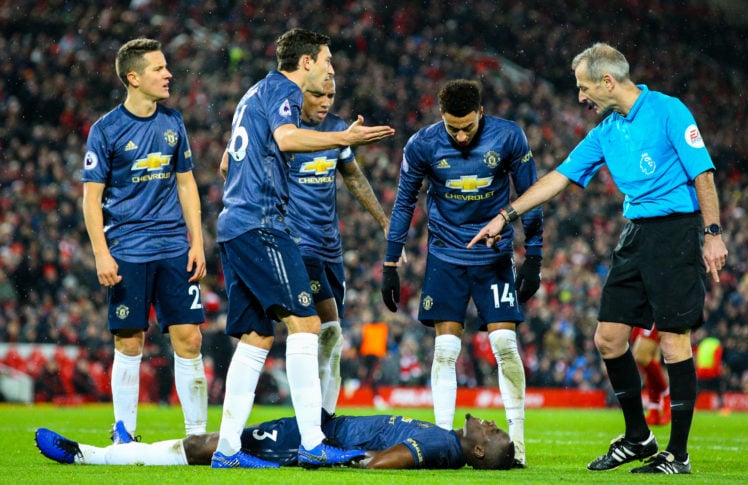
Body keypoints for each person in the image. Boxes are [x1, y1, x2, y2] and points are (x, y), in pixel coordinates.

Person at [469, 42, 728, 475]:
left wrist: (713, 233)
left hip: (676, 232)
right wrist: (507, 214)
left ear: (608, 81)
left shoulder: (669, 111)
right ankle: (638, 438)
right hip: (635, 236)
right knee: (608, 339)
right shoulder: (606, 132)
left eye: (584, 87)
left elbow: (702, 172)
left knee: (672, 341)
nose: (580, 97)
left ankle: (677, 454)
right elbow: (557, 178)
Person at [214, 28, 394, 468]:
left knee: (257, 337)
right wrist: (344, 139)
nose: (332, 70)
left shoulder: (254, 93)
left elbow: (224, 164)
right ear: (307, 62)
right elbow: (288, 139)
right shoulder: (281, 89)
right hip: (261, 224)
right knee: (307, 323)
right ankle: (314, 443)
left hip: (234, 224)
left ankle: (227, 450)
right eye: (327, 61)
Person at [381, 79, 544, 468]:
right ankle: (440, 445)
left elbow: (530, 195)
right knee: (446, 349)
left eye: (467, 127)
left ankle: (517, 445)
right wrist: (389, 262)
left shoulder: (508, 137)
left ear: (481, 113)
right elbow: (405, 202)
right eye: (452, 127)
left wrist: (533, 255)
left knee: (505, 344)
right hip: (446, 256)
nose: (459, 135)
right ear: (442, 116)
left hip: (493, 255)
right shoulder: (422, 144)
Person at [81, 38, 208, 438]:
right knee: (129, 340)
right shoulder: (106, 130)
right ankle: (124, 433)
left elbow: (186, 185)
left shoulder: (173, 122)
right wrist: (102, 254)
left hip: (173, 247)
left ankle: (196, 436)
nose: (168, 74)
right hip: (127, 251)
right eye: (158, 68)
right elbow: (91, 198)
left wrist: (198, 242)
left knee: (189, 337)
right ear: (133, 78)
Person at [287, 77, 390, 413]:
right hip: (299, 245)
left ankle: (325, 418)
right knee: (324, 328)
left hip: (331, 247)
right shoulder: (282, 131)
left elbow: (354, 176)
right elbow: (232, 167)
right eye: (317, 94)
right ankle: (314, 419)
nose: (325, 101)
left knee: (332, 335)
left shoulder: (336, 130)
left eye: (330, 94)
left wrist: (385, 221)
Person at [35, 413, 515, 470]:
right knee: (210, 443)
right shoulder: (448, 439)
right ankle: (109, 450)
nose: (488, 424)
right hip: (319, 430)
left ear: (477, 451)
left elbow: (382, 463)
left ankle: (87, 456)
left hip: (320, 437)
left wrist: (345, 460)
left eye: (491, 434)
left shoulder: (442, 449)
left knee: (209, 445)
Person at [631, 325, 670, 425]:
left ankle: (667, 394)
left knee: (640, 356)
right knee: (652, 358)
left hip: (653, 313)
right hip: (644, 312)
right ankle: (654, 409)